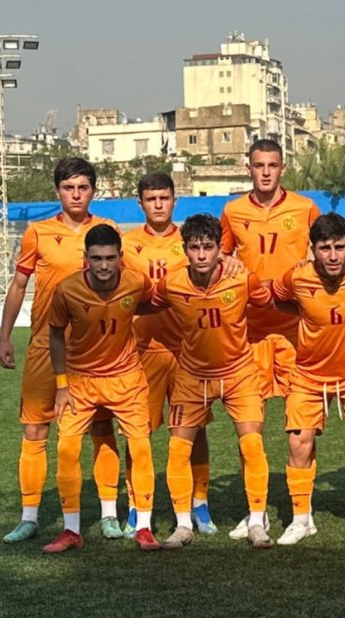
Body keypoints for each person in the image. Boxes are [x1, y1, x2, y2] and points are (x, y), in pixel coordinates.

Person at [0, 157, 121, 544]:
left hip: (92, 349)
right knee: (35, 429)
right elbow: (19, 285)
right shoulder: (38, 232)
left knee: (101, 427)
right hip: (44, 345)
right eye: (69, 188)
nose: (76, 195)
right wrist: (4, 337)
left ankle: (109, 514)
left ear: (93, 191)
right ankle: (29, 517)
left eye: (83, 187)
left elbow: (125, 283)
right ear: (58, 192)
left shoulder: (108, 230)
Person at [150, 214, 275, 549]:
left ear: (220, 249)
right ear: (184, 250)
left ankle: (257, 521)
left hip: (239, 374)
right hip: (192, 376)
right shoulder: (172, 284)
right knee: (178, 449)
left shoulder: (242, 278)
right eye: (194, 248)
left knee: (252, 445)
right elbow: (144, 303)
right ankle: (182, 525)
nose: (202, 254)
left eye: (208, 247)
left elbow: (271, 301)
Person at [219, 139, 321, 540]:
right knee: (251, 431)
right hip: (250, 335)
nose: (265, 172)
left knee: (302, 429)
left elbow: (327, 251)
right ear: (248, 168)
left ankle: (304, 513)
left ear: (283, 168)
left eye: (272, 165)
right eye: (259, 165)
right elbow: (221, 256)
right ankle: (255, 510)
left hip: (296, 332)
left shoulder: (304, 208)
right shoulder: (233, 211)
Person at [272, 213, 345, 546]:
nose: (334, 255)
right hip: (309, 375)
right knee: (299, 442)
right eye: (325, 248)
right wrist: (304, 311)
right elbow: (278, 297)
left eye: (340, 247)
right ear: (313, 249)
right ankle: (301, 519)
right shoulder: (297, 277)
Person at [45, 224, 159, 552]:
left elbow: (160, 299)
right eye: (97, 258)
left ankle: (144, 528)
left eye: (110, 258)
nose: (104, 265)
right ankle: (71, 530)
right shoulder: (66, 290)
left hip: (127, 379)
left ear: (121, 257)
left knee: (140, 448)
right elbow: (56, 334)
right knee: (67, 449)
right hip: (81, 381)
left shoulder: (136, 282)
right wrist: (61, 385)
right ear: (86, 258)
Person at [121, 172, 215, 537]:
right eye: (151, 199)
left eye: (164, 198)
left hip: (187, 351)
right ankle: (136, 504)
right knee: (137, 432)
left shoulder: (191, 241)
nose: (158, 204)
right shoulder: (128, 244)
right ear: (140, 203)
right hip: (142, 351)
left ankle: (199, 503)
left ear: (175, 200)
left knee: (193, 430)